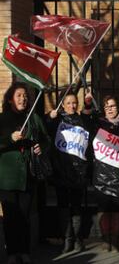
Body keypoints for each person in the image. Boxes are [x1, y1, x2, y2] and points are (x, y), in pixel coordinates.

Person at [0, 82, 50, 264]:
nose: (23, 98)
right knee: (11, 218)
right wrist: (8, 139)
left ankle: (25, 252)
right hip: (7, 177)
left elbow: (46, 140)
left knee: (25, 216)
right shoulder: (2, 119)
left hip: (28, 176)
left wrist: (41, 147)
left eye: (25, 96)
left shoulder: (33, 118)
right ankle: (12, 253)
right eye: (19, 95)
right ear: (10, 99)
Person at [47, 90, 93, 254]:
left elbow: (90, 119)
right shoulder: (57, 119)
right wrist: (50, 117)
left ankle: (78, 239)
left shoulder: (82, 119)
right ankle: (67, 240)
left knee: (76, 207)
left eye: (74, 102)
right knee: (63, 208)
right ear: (62, 105)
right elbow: (46, 129)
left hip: (78, 172)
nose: (72, 105)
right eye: (68, 103)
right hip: (61, 170)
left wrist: (88, 104)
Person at [91, 95, 119, 252]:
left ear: (118, 107)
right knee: (103, 207)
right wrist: (89, 102)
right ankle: (106, 238)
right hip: (101, 173)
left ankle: (115, 239)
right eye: (107, 107)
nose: (110, 109)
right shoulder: (98, 123)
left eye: (113, 106)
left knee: (118, 208)